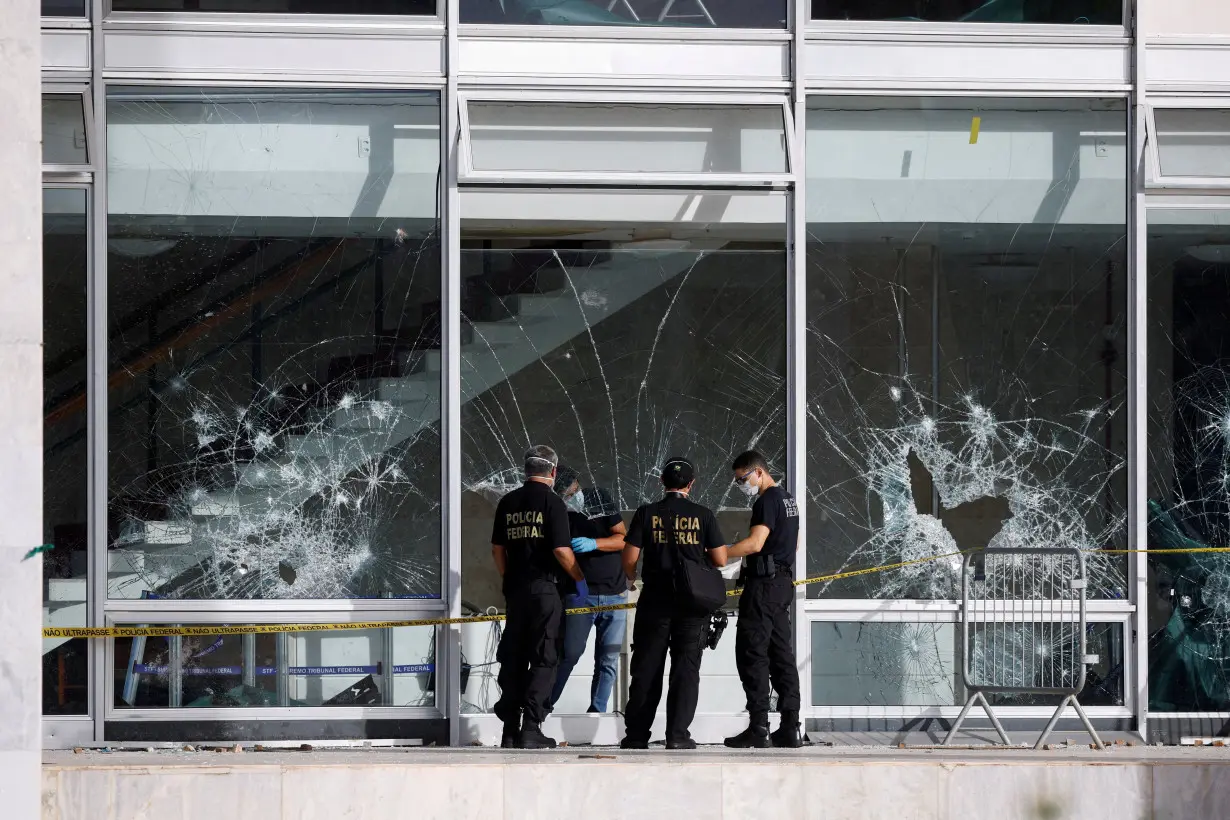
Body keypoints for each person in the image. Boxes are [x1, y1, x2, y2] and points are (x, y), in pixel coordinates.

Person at [620, 457, 727, 750]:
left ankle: (636, 736)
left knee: (646, 669)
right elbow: (719, 559)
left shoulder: (646, 513)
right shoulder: (703, 515)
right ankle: (678, 736)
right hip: (692, 604)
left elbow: (629, 558)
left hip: (654, 601)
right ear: (691, 484)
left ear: (662, 482)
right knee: (686, 669)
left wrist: (632, 579)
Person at [491, 444, 588, 749]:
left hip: (516, 591)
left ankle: (509, 728)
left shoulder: (508, 502)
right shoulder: (553, 503)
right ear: (553, 472)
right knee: (545, 657)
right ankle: (531, 726)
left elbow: (497, 549)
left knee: (515, 656)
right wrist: (579, 578)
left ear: (526, 469)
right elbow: (561, 551)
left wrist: (509, 576)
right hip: (545, 590)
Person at [723, 450, 803, 748]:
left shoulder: (766, 501)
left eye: (742, 479)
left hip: (764, 586)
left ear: (759, 472)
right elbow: (793, 545)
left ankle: (759, 726)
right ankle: (791, 726)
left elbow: (755, 543)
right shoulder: (788, 499)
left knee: (752, 652)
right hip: (782, 584)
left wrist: (721, 552)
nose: (741, 485)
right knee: (781, 653)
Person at [549, 465, 628, 713]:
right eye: (565, 496)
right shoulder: (556, 509)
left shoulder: (599, 498)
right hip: (579, 593)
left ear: (577, 484)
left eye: (573, 492)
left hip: (614, 591)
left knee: (608, 659)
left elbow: (622, 538)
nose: (571, 499)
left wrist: (594, 543)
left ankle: (597, 712)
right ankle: (542, 708)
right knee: (569, 654)